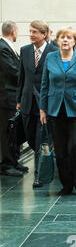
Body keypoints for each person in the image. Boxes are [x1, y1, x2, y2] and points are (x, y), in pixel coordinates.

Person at [40, 28, 76, 196]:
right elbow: (45, 84)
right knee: (60, 149)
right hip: (55, 109)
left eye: (68, 38)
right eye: (62, 37)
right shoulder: (51, 58)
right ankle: (66, 184)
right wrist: (42, 109)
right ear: (57, 40)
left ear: (75, 41)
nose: (65, 40)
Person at [16, 20, 59, 188]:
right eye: (30, 31)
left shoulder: (53, 51)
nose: (31, 34)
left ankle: (39, 175)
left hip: (45, 102)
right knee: (31, 138)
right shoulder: (25, 50)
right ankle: (47, 161)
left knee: (42, 138)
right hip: (27, 101)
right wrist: (19, 100)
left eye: (35, 32)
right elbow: (21, 77)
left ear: (44, 34)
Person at [0, 21, 27, 177]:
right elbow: (13, 71)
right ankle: (7, 164)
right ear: (14, 31)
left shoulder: (7, 47)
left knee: (13, 130)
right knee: (7, 131)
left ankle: (14, 161)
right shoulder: (2, 48)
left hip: (12, 96)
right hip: (6, 97)